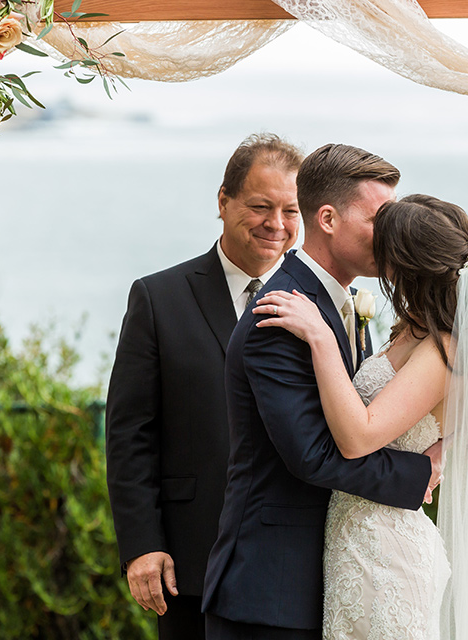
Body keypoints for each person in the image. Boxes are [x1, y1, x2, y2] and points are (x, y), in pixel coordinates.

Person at [254, 194, 468, 639]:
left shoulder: (445, 350)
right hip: (357, 543)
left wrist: (320, 337)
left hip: (386, 554)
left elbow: (357, 436)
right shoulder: (416, 327)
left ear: (407, 267)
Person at [201, 145, 444, 640]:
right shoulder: (282, 314)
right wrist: (422, 470)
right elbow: (313, 455)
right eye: (381, 218)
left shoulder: (343, 307)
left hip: (335, 574)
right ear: (328, 218)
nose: (394, 232)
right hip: (272, 590)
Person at [105, 133, 304, 640]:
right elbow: (130, 432)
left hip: (296, 562)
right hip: (190, 561)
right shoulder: (157, 297)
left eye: (290, 211)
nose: (275, 225)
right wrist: (141, 545)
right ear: (223, 201)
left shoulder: (319, 305)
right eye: (260, 206)